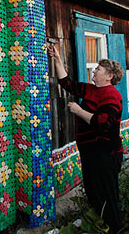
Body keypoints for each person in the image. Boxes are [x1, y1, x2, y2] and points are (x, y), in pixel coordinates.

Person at [48, 43, 124, 233]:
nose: (94, 71)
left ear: (109, 76)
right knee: (93, 191)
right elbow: (67, 83)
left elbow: (102, 124)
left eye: (99, 69)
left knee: (107, 193)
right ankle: (100, 224)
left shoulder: (112, 96)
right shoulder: (92, 89)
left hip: (106, 154)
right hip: (91, 152)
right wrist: (57, 58)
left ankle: (114, 228)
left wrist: (79, 110)